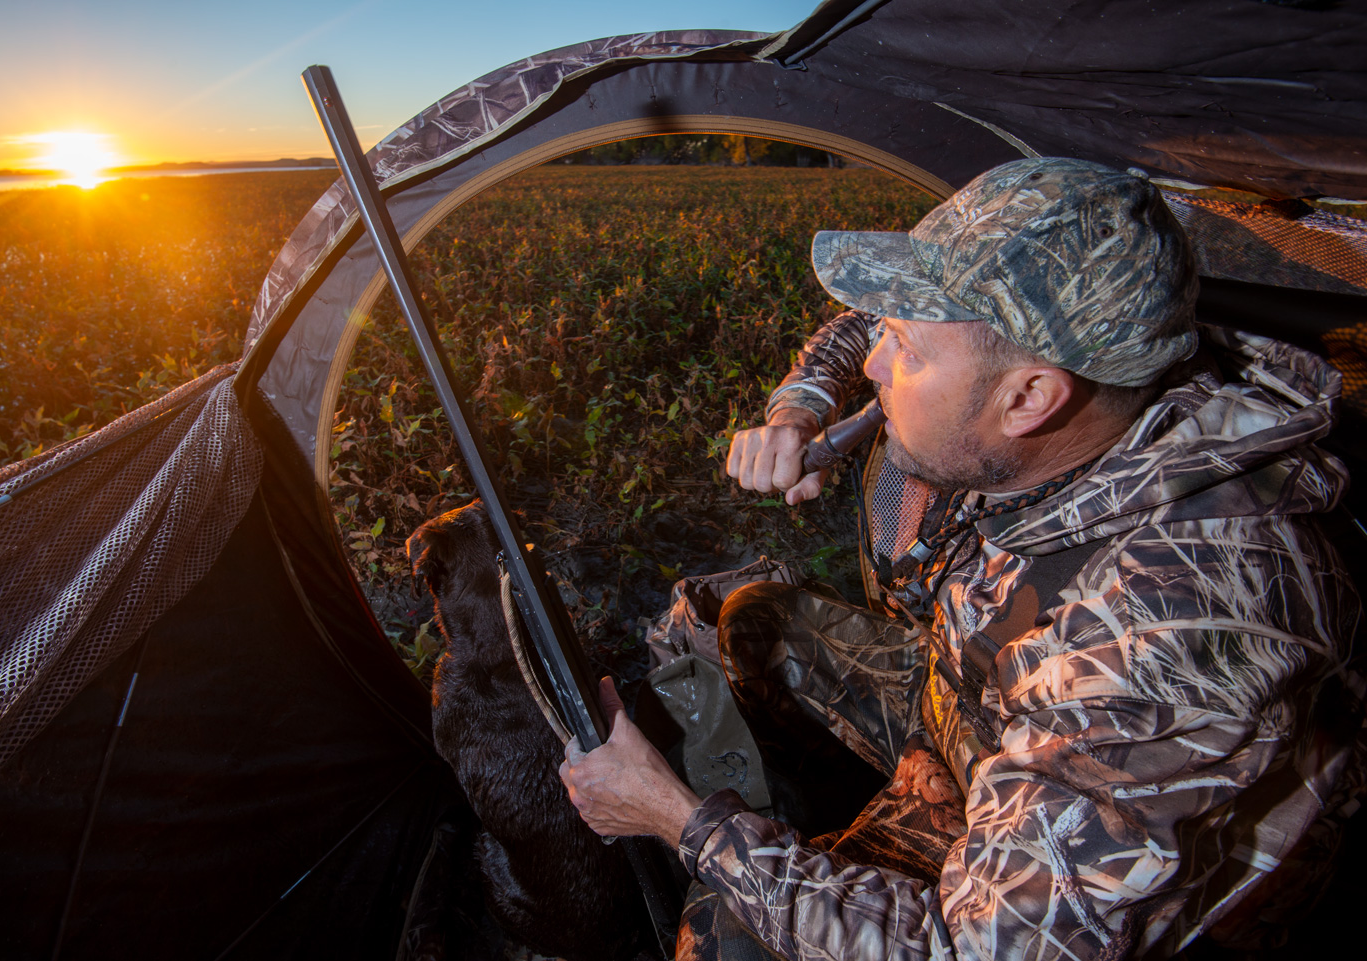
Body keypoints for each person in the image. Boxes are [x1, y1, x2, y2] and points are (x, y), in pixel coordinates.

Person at [559, 157, 1365, 960]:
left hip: (1048, 868)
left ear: (1028, 399)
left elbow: (971, 951)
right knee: (754, 624)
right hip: (972, 709)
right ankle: (845, 820)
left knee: (725, 937)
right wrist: (801, 409)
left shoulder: (1167, 635)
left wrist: (677, 817)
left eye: (906, 349)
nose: (876, 362)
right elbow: (861, 329)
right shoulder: (1106, 380)